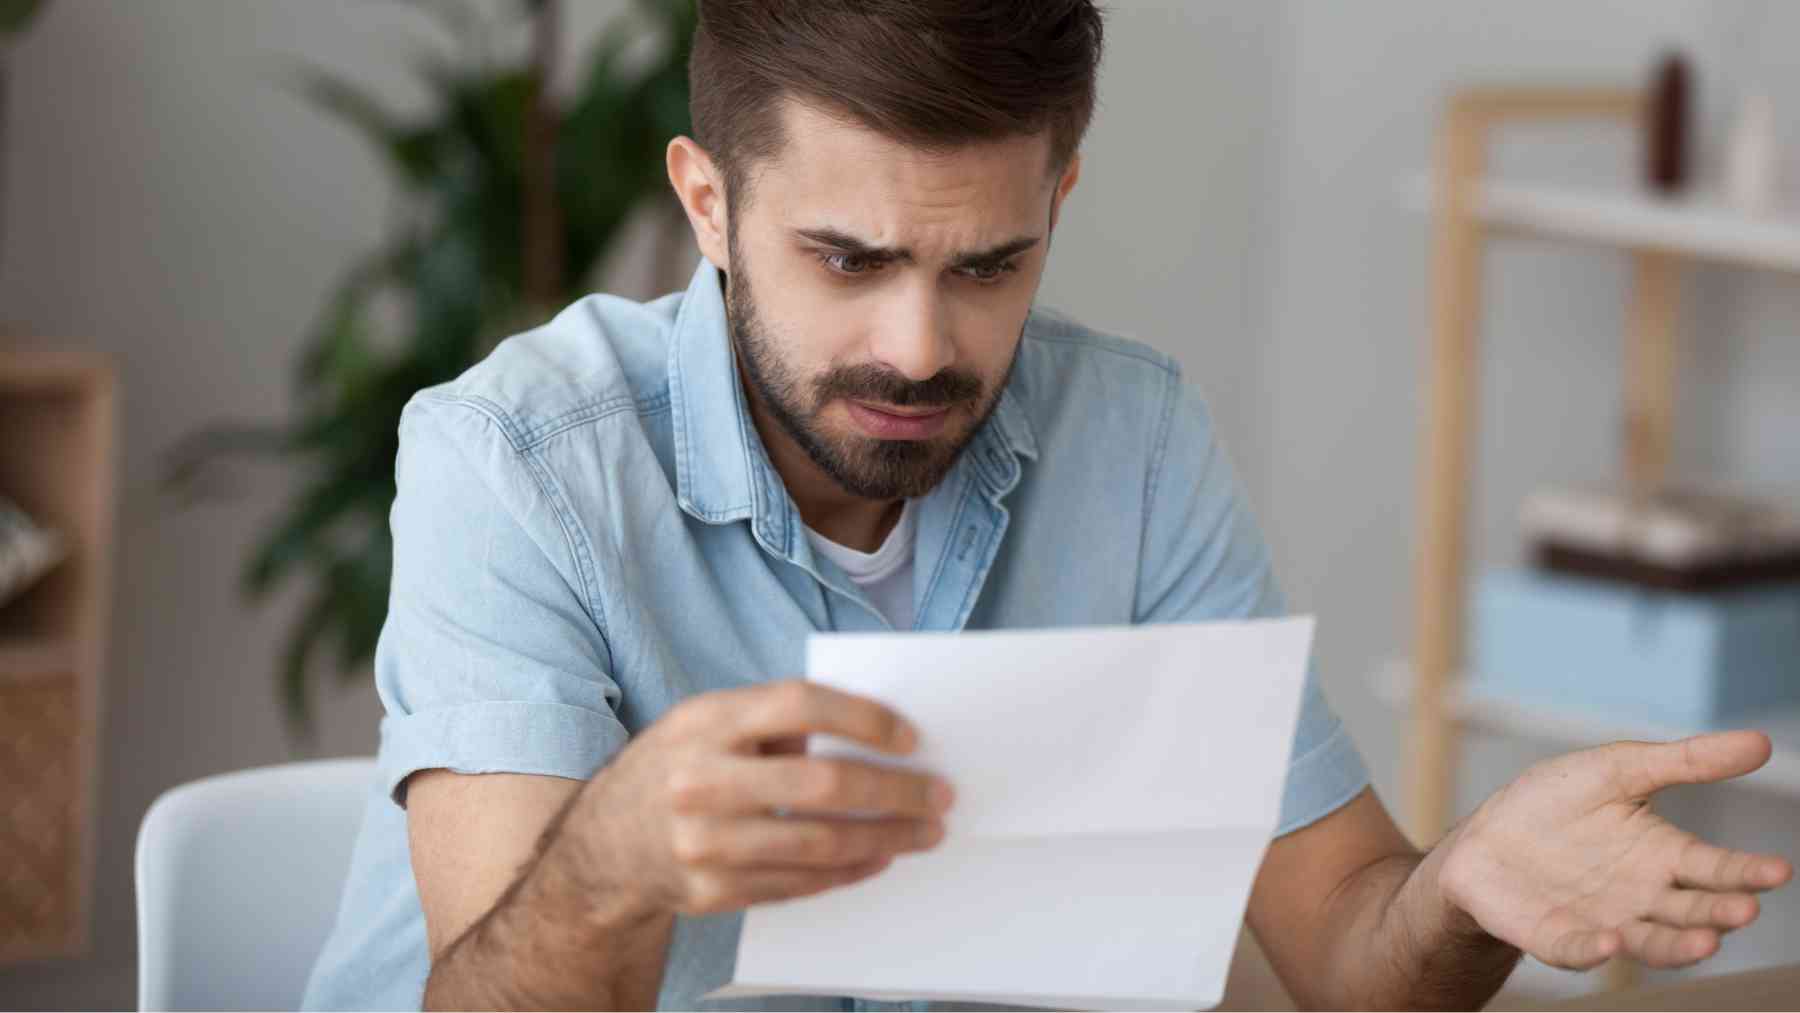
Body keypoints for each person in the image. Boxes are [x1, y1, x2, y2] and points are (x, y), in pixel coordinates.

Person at [303, 2, 1792, 1009]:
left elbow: (1352, 947)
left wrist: (1465, 888)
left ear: (1059, 196)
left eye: (986, 266)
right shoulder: (517, 460)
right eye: (846, 259)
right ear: (709, 205)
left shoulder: (1132, 443)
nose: (919, 348)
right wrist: (618, 855)